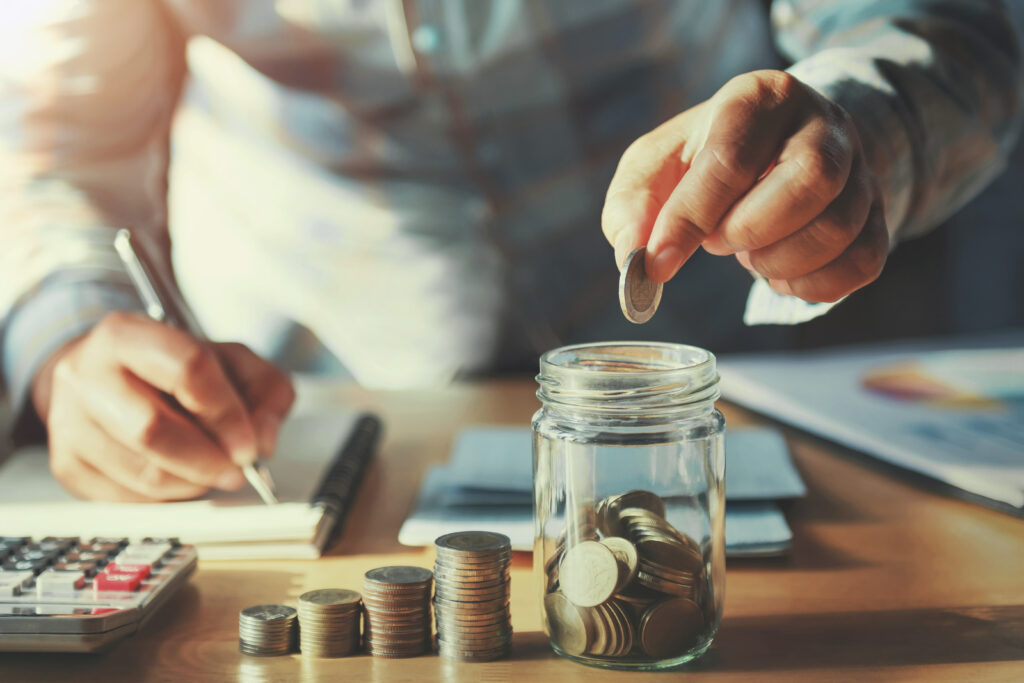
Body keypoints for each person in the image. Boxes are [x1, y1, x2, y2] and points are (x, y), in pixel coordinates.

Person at [0, 1, 1019, 502]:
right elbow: (53, 138)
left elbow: (950, 27)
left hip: (746, 386)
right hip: (315, 422)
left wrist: (857, 130)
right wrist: (68, 331)